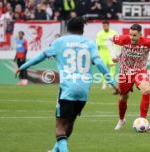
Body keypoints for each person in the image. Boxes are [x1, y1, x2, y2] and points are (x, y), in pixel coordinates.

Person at [15, 17, 120, 152]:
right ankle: (55, 150)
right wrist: (112, 83)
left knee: (59, 123)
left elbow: (41, 56)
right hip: (83, 90)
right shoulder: (90, 43)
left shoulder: (59, 42)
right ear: (83, 29)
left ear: (67, 29)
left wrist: (23, 66)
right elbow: (99, 63)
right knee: (70, 122)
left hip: (67, 89)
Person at [96, 20, 118, 89]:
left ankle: (111, 83)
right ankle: (104, 83)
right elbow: (97, 43)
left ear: (109, 26)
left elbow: (117, 42)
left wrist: (116, 53)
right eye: (103, 26)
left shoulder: (114, 33)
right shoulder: (99, 34)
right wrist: (105, 44)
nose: (105, 27)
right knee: (103, 68)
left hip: (111, 53)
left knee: (112, 68)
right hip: (103, 53)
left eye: (106, 26)